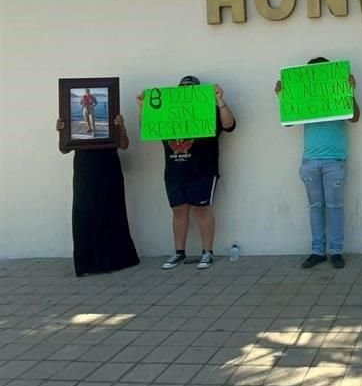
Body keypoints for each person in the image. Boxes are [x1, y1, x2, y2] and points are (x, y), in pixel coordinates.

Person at [138, 76, 236, 270]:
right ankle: (179, 252)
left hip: (203, 170)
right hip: (174, 171)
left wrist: (219, 100)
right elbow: (147, 128)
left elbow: (229, 125)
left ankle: (207, 252)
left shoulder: (209, 112)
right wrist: (143, 106)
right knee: (178, 211)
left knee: (202, 209)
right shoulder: (167, 114)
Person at [275, 57, 360, 270]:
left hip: (335, 160)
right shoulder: (304, 98)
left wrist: (350, 92)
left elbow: (355, 117)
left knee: (334, 207)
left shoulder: (338, 94)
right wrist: (283, 96)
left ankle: (336, 251)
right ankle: (317, 251)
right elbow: (289, 121)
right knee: (315, 207)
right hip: (310, 161)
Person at [57, 114, 139, 277]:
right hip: (85, 170)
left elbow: (124, 144)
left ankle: (117, 259)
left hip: (109, 169)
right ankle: (87, 263)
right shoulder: (74, 118)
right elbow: (63, 149)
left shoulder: (112, 115)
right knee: (84, 215)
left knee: (112, 212)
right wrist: (61, 131)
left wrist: (121, 126)